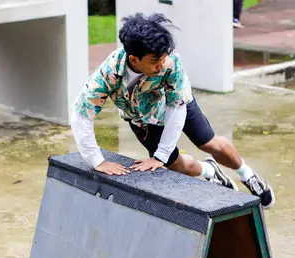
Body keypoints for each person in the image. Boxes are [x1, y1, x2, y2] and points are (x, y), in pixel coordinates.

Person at [70, 13, 274, 209]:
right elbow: (81, 114)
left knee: (209, 143)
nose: (161, 65)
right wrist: (96, 161)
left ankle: (247, 174)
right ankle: (210, 170)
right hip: (143, 120)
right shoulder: (109, 73)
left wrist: (161, 154)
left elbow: (176, 108)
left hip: (178, 102)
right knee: (174, 165)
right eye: (154, 62)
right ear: (134, 60)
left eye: (163, 58)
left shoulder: (171, 61)